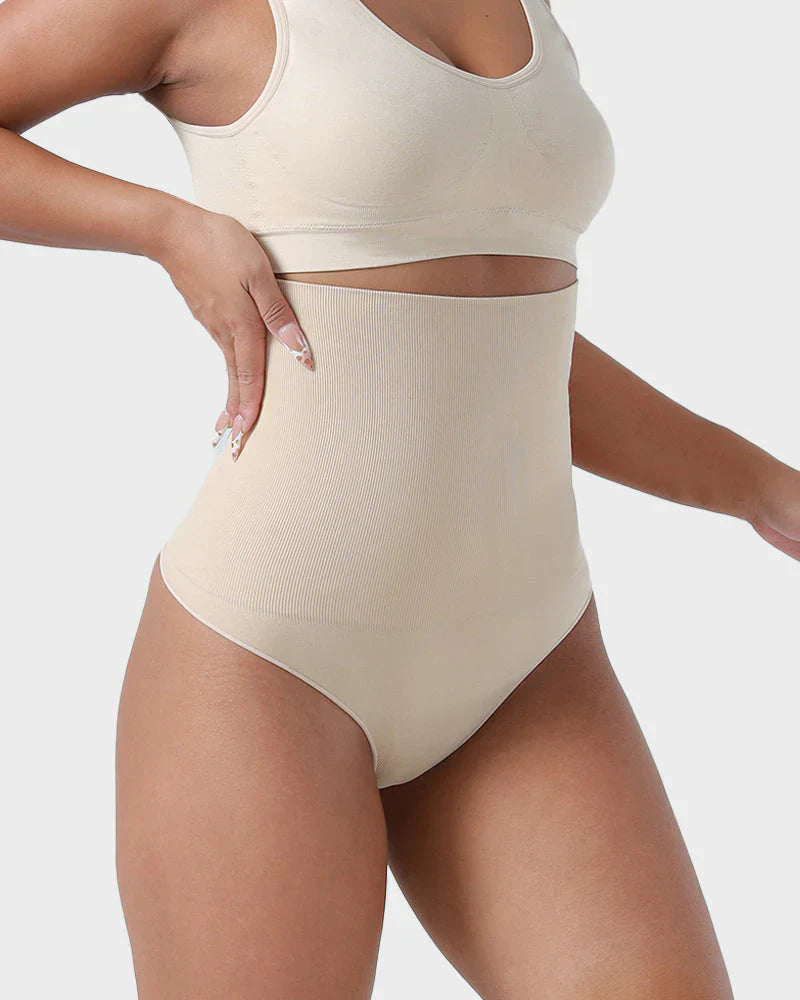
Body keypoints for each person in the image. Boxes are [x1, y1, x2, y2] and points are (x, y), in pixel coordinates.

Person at [1, 0, 797, 996]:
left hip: (529, 661)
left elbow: (504, 346)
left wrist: (766, 486)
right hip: (270, 659)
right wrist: (165, 229)